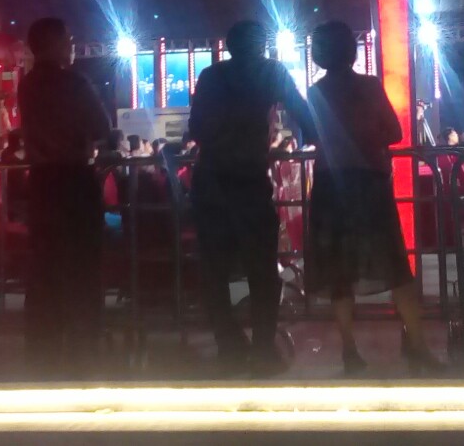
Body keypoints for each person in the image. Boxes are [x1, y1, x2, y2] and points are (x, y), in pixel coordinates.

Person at [306, 22, 442, 374]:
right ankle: (417, 345)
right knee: (395, 264)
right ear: (351, 50)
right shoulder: (368, 85)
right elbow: (394, 131)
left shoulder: (316, 92)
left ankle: (349, 351)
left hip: (329, 185)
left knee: (338, 271)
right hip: (368, 181)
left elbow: (313, 135)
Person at [188, 19, 315, 375]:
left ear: (229, 46)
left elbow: (196, 128)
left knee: (214, 272)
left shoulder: (211, 75)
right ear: (262, 45)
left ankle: (229, 345)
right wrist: (317, 139)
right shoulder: (271, 71)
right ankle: (262, 351)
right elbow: (303, 113)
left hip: (210, 181)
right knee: (262, 271)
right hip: (249, 182)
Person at [19, 17, 111, 377]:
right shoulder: (74, 83)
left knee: (44, 265)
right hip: (75, 181)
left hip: (41, 183)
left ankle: (43, 348)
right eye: (68, 40)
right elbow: (101, 126)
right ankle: (83, 347)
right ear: (56, 44)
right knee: (83, 265)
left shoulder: (27, 85)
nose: (72, 46)